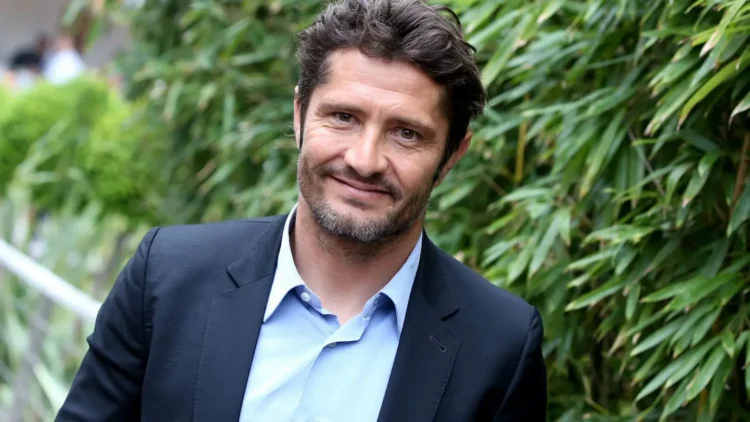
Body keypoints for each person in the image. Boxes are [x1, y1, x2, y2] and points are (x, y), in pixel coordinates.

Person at [56, 1, 547, 421]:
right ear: (299, 116)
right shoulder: (166, 277)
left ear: (452, 156)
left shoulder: (499, 345)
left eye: (406, 133)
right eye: (343, 117)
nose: (365, 160)